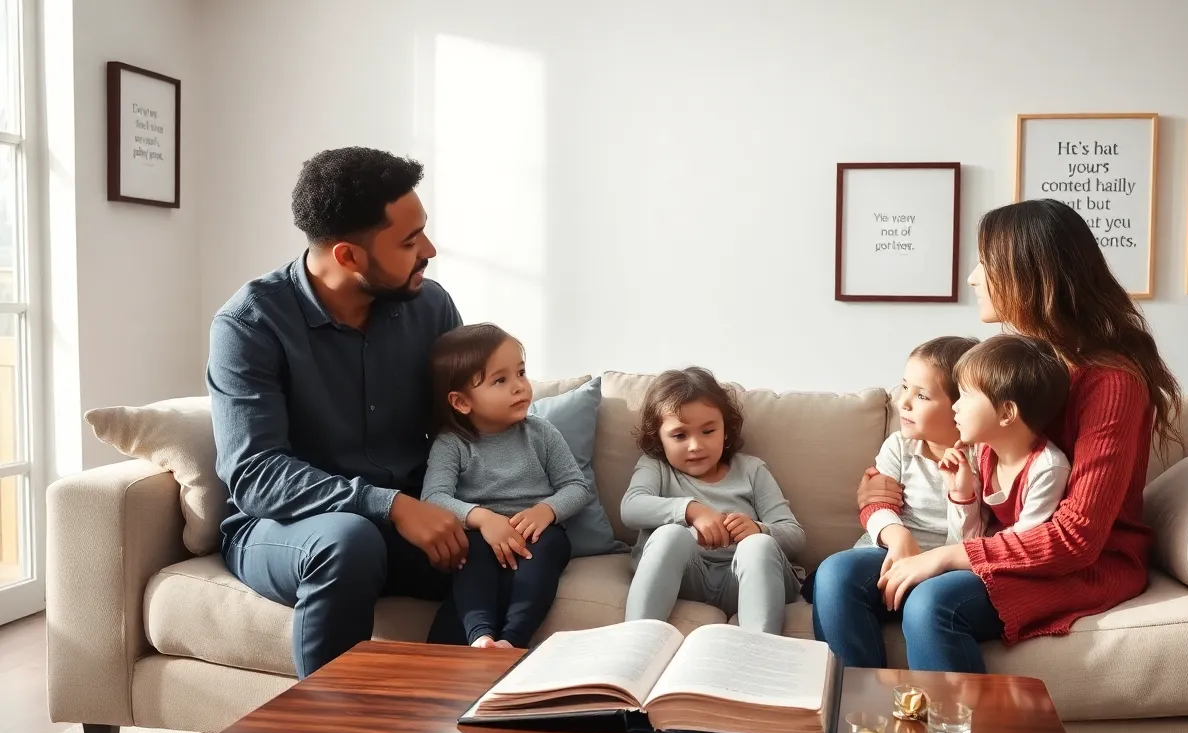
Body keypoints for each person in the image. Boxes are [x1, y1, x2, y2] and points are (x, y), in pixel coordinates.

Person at [811, 198, 1181, 673]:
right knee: (836, 575)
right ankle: (862, 716)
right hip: (993, 540)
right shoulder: (1013, 365)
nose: (972, 278)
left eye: (985, 263)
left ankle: (952, 727)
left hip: (1079, 565)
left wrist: (948, 557)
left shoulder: (1113, 384)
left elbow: (1077, 538)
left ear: (1028, 275)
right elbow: (948, 440)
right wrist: (882, 506)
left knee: (932, 604)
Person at [209, 147, 469, 678]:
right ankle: (328, 728)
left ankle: (447, 706)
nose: (430, 250)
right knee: (349, 540)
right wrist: (391, 505)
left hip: (409, 522)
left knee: (508, 548)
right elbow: (256, 475)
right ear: (349, 256)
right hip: (288, 529)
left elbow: (465, 429)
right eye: (409, 241)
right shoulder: (250, 324)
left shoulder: (431, 308)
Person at [420, 323, 583, 649]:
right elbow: (433, 498)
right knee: (469, 554)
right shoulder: (452, 444)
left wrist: (546, 511)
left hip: (537, 535)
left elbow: (575, 486)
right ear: (461, 402)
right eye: (500, 380)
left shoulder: (541, 433)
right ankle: (480, 637)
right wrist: (483, 519)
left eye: (521, 373)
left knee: (548, 548)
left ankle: (511, 641)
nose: (519, 386)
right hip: (481, 538)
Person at [621, 367, 805, 634]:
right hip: (685, 578)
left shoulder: (752, 470)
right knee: (670, 535)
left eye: (708, 431)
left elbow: (795, 536)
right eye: (680, 435)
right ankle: (635, 641)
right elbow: (631, 507)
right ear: (658, 439)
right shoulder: (655, 466)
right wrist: (692, 510)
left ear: (726, 431)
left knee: (758, 546)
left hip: (745, 581)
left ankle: (761, 648)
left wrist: (758, 529)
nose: (695, 446)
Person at [802, 337, 976, 611]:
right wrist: (898, 537)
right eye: (905, 387)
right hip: (888, 552)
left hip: (944, 568)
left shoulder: (982, 458)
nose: (903, 402)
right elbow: (876, 505)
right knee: (833, 575)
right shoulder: (900, 445)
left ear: (961, 406)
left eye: (921, 395)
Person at [938, 334, 1072, 547]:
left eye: (966, 395)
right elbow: (962, 542)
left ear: (1007, 413)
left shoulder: (1047, 469)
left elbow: (1021, 546)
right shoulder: (980, 452)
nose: (955, 406)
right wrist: (961, 494)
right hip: (980, 559)